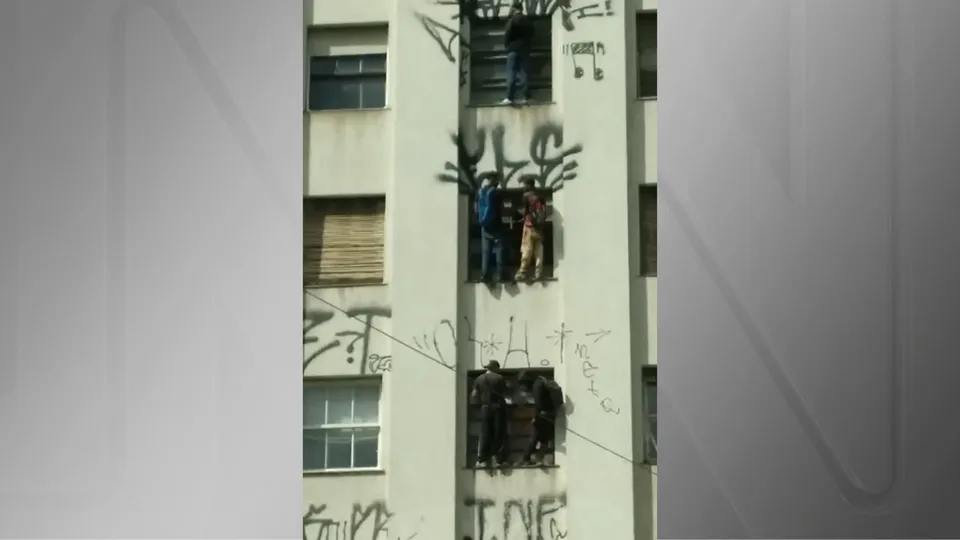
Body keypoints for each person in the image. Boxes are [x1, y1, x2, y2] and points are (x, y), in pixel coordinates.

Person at [518, 371, 563, 465]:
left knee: (535, 437)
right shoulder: (542, 380)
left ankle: (526, 458)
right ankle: (540, 458)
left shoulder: (537, 386)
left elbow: (539, 403)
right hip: (551, 414)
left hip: (543, 415)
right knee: (544, 439)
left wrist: (536, 416)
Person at [471, 360, 510, 467]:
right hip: (498, 407)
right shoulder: (499, 378)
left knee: (485, 432)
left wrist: (477, 407)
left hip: (485, 408)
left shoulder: (479, 379)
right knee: (499, 432)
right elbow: (505, 391)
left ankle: (483, 459)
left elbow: (474, 395)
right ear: (495, 368)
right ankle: (499, 459)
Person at [501, 1, 534, 105]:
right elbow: (532, 34)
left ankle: (510, 97)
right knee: (524, 73)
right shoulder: (528, 20)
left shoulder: (511, 21)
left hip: (513, 50)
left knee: (512, 73)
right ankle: (525, 97)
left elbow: (507, 35)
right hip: (525, 49)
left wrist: (507, 46)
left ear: (514, 9)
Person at [514, 178, 547, 281]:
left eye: (525, 185)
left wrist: (517, 213)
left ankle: (523, 272)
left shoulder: (526, 196)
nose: (523, 187)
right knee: (538, 251)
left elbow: (524, 212)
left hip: (529, 226)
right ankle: (538, 273)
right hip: (539, 228)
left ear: (529, 185)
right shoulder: (540, 197)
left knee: (526, 249)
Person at [475, 177, 505, 283]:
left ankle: (485, 275)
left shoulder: (479, 193)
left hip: (485, 226)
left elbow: (476, 209)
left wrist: (481, 221)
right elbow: (501, 209)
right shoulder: (497, 193)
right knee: (499, 249)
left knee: (486, 251)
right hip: (496, 226)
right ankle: (500, 274)